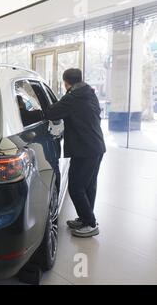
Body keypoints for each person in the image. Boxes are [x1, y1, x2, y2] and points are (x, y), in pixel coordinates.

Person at [45, 68, 106, 238]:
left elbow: (51, 112)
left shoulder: (72, 98)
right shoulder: (89, 93)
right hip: (96, 147)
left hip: (85, 149)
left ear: (66, 82)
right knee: (89, 185)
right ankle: (85, 219)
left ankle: (91, 223)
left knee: (76, 187)